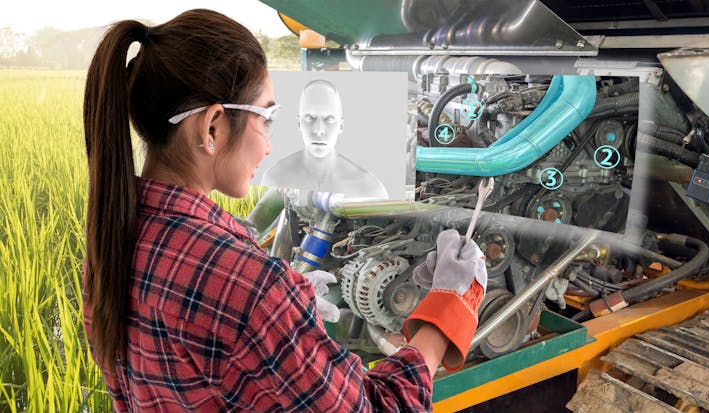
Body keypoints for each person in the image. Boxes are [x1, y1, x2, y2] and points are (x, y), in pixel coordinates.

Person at [82, 9, 486, 412]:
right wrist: (445, 308)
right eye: (266, 120)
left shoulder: (112, 243)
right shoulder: (248, 290)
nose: (270, 146)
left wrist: (286, 315)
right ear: (212, 129)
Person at [261, 79, 389, 198]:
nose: (319, 130)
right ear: (299, 123)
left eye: (329, 119)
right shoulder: (274, 179)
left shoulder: (369, 189)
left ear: (341, 125)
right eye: (309, 118)